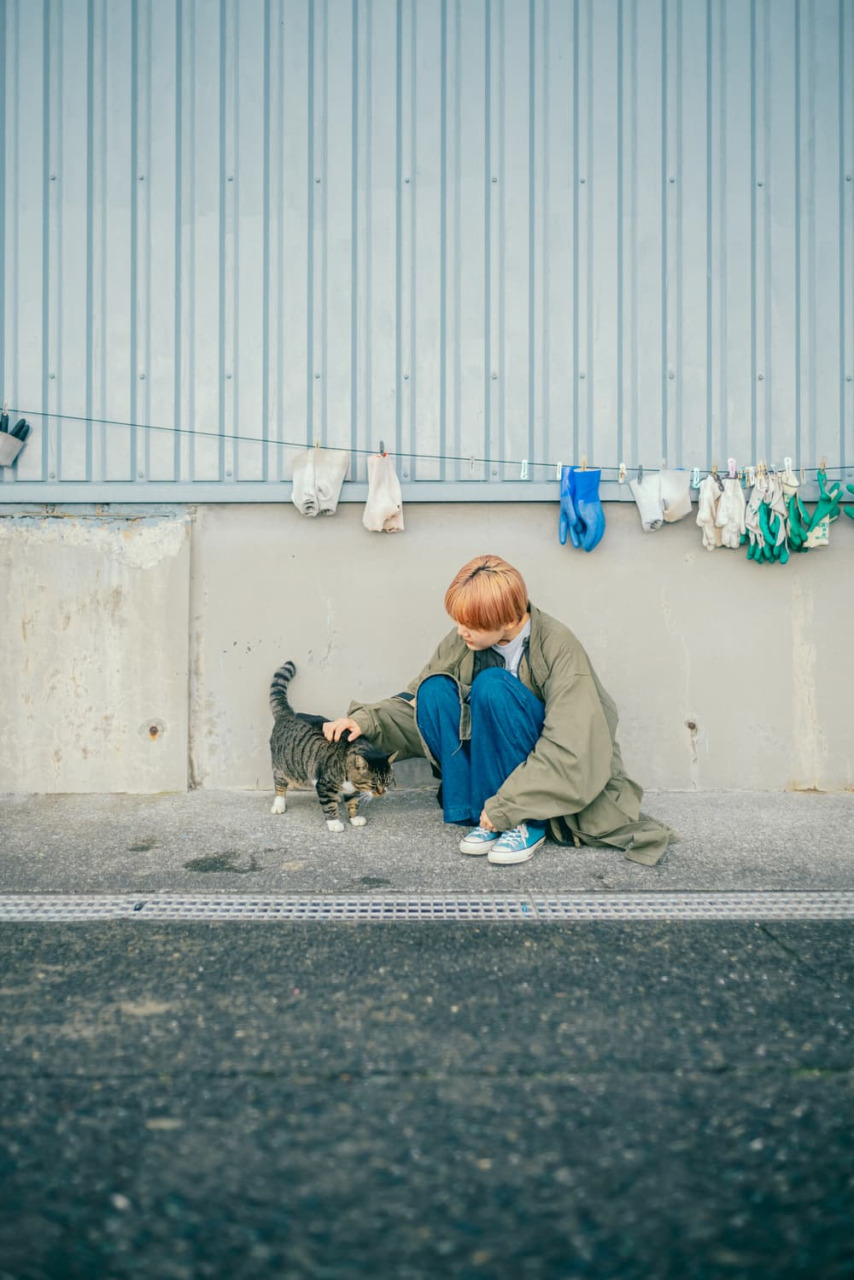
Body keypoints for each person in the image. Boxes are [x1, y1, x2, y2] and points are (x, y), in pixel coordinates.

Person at [323, 554, 678, 867]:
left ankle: (526, 821)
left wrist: (511, 805)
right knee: (436, 689)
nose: (460, 631)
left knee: (492, 684)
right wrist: (365, 720)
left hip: (544, 763)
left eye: (470, 624)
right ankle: (479, 813)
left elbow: (571, 744)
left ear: (507, 620)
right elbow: (416, 697)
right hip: (492, 773)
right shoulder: (466, 638)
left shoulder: (558, 647)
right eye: (458, 621)